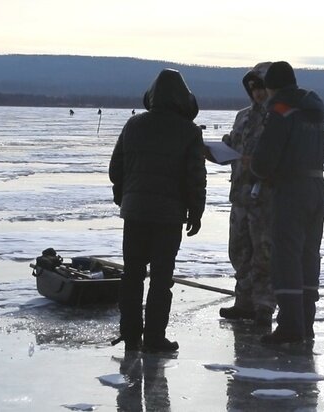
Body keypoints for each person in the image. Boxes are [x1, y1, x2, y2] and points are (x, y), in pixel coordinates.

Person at [109, 68, 207, 353]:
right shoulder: (189, 131)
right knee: (161, 278)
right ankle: (154, 337)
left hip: (135, 212)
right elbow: (194, 177)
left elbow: (116, 168)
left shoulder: (133, 125)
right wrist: (196, 211)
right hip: (168, 216)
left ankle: (130, 335)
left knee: (132, 275)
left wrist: (123, 197)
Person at [251, 61, 324, 344]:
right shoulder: (315, 111)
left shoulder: (281, 110)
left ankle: (290, 327)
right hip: (317, 188)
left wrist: (259, 169)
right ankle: (305, 322)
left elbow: (264, 161)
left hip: (291, 190)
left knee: (286, 258)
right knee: (309, 256)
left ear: (272, 87)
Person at [218, 62, 276, 328]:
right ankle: (243, 302)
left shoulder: (280, 116)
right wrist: (216, 150)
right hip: (240, 195)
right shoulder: (243, 116)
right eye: (252, 89)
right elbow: (233, 143)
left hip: (265, 198)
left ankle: (264, 305)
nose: (257, 94)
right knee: (239, 250)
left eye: (261, 87)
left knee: (263, 253)